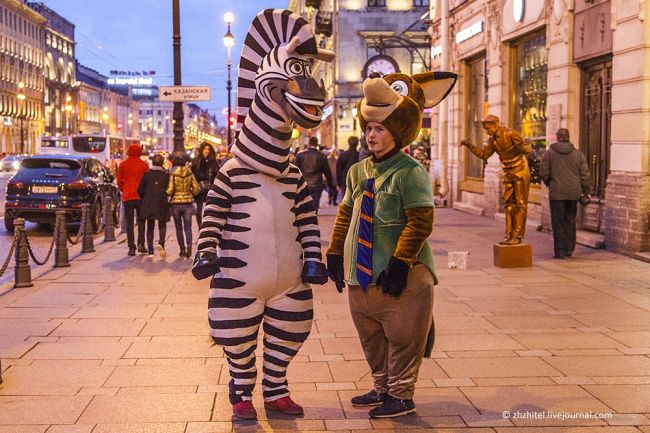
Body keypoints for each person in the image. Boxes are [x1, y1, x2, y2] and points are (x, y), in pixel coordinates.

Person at [327, 70, 457, 418]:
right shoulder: (358, 172)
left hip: (401, 275)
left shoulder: (410, 171)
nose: (371, 134)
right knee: (371, 336)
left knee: (402, 336)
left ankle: (401, 395)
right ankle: (382, 386)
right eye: (369, 128)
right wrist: (335, 253)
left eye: (379, 129)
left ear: (396, 132)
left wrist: (401, 263)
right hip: (362, 274)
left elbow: (420, 222)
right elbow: (345, 216)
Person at [460, 115, 532, 245]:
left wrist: (523, 148)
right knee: (509, 206)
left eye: (488, 128)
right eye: (486, 129)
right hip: (508, 172)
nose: (487, 132)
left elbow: (527, 149)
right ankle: (508, 235)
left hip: (520, 170)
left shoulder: (511, 133)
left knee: (520, 204)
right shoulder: (492, 140)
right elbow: (484, 154)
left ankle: (517, 236)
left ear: (496, 125)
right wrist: (469, 146)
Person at [539, 128, 591, 259]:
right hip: (573, 193)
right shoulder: (578, 154)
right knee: (570, 220)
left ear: (557, 137)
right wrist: (586, 191)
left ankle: (560, 252)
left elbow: (543, 173)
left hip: (557, 193)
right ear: (568, 137)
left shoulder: (548, 154)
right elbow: (584, 175)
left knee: (558, 222)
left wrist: (550, 183)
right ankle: (569, 249)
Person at [117, 143, 149, 256]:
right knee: (141, 221)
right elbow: (147, 181)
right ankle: (141, 244)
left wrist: (124, 189)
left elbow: (119, 181)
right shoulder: (144, 165)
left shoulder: (123, 164)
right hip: (140, 197)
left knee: (129, 223)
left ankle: (131, 247)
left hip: (128, 196)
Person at [137, 153, 170, 258]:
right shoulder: (166, 175)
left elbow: (140, 190)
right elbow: (169, 190)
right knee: (162, 224)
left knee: (150, 226)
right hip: (162, 202)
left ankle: (150, 250)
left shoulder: (147, 175)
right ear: (162, 163)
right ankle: (161, 244)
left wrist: (146, 197)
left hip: (149, 203)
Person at [167, 154, 199, 258]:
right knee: (188, 227)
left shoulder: (173, 173)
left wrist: (168, 193)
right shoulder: (189, 173)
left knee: (179, 228)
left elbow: (170, 189)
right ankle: (189, 244)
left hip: (176, 204)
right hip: (187, 203)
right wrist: (190, 193)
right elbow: (196, 189)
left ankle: (182, 249)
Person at [294, 136, 334, 212]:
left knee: (303, 203)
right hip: (317, 183)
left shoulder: (300, 154)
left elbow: (295, 169)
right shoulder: (321, 155)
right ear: (317, 144)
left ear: (309, 143)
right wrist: (330, 184)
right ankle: (313, 217)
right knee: (315, 203)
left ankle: (305, 218)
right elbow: (327, 172)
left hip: (303, 183)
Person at [191, 142, 220, 227]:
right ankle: (200, 227)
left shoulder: (213, 161)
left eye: (208, 149)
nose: (206, 151)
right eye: (205, 149)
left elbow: (216, 174)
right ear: (201, 150)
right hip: (199, 189)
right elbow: (193, 174)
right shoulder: (197, 160)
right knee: (198, 210)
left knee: (209, 209)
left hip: (210, 188)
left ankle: (208, 226)